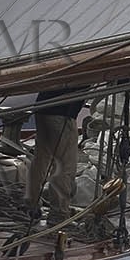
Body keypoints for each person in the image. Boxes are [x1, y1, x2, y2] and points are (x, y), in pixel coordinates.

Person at [26, 86, 90, 224]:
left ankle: (31, 204)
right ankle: (58, 215)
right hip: (62, 115)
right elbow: (113, 77)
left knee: (41, 159)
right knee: (64, 165)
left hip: (43, 109)